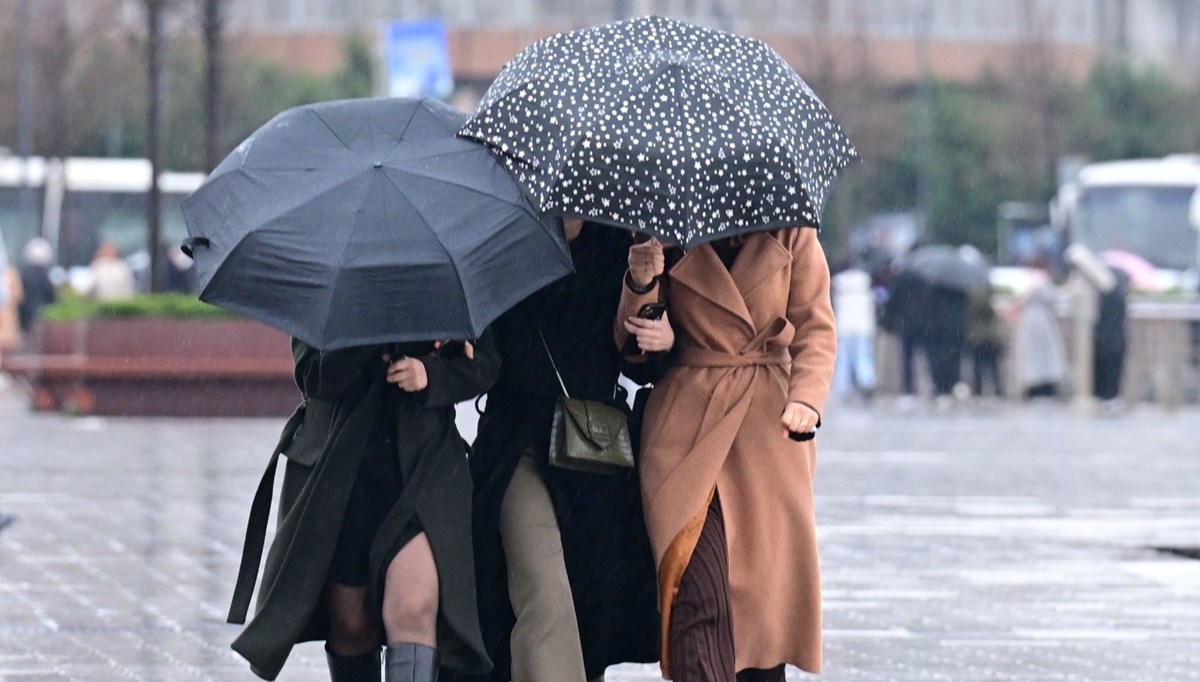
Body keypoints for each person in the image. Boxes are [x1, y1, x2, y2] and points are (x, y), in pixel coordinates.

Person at [617, 228, 836, 681]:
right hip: (686, 430)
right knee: (694, 595)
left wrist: (806, 399)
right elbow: (630, 349)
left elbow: (816, 327)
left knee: (761, 611)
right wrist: (642, 284)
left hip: (767, 434)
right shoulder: (663, 224)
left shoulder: (792, 229)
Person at [228, 335, 499, 682]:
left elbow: (485, 363)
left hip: (424, 471)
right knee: (353, 628)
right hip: (344, 477)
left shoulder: (441, 286)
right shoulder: (333, 287)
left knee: (413, 610)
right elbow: (312, 375)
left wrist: (430, 373)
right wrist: (367, 346)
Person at [460, 218, 660, 682]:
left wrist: (642, 282)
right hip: (518, 446)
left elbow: (640, 361)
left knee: (590, 610)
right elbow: (482, 350)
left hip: (595, 451)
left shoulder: (619, 243)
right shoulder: (505, 239)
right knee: (545, 595)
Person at [1014, 277, 1069, 399]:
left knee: (1041, 360)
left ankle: (1040, 387)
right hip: (1041, 324)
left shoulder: (1036, 286)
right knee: (1040, 360)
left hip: (1038, 325)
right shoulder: (1038, 286)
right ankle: (1040, 388)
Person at [830, 262, 877, 401]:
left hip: (844, 326)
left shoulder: (838, 282)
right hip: (863, 326)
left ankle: (844, 388)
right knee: (864, 356)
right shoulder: (865, 280)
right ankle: (867, 381)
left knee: (843, 359)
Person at [1093, 270, 1130, 403]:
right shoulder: (1120, 297)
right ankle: (1111, 397)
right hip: (1117, 339)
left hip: (1103, 338)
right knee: (1113, 371)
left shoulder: (1104, 297)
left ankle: (1102, 396)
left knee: (1103, 370)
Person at [966, 286, 1006, 399]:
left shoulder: (969, 294)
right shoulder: (981, 295)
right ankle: (996, 392)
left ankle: (979, 392)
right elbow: (986, 310)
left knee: (980, 368)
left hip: (979, 337)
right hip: (986, 337)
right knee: (991, 367)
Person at [18, 238, 56, 333]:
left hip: (25, 314)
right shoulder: (45, 274)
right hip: (40, 313)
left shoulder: (23, 273)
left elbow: (20, 294)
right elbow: (51, 296)